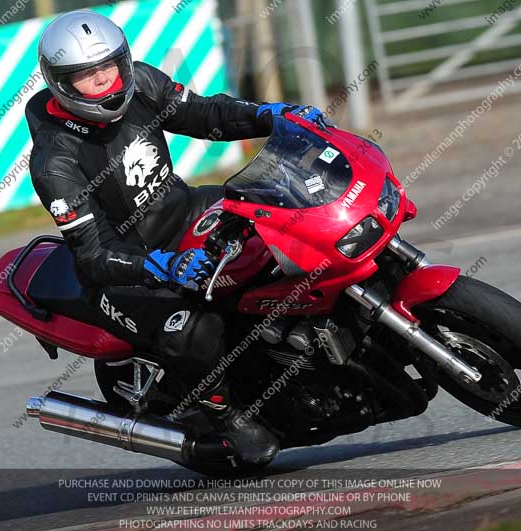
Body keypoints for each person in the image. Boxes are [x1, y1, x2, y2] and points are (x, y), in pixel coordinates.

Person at [26, 9, 327, 468]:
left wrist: (271, 115)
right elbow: (92, 256)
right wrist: (157, 266)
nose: (106, 81)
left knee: (287, 214)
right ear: (62, 84)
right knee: (194, 326)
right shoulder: (55, 163)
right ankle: (223, 414)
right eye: (89, 76)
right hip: (127, 265)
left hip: (184, 211)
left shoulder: (141, 82)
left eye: (110, 65)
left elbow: (203, 112)